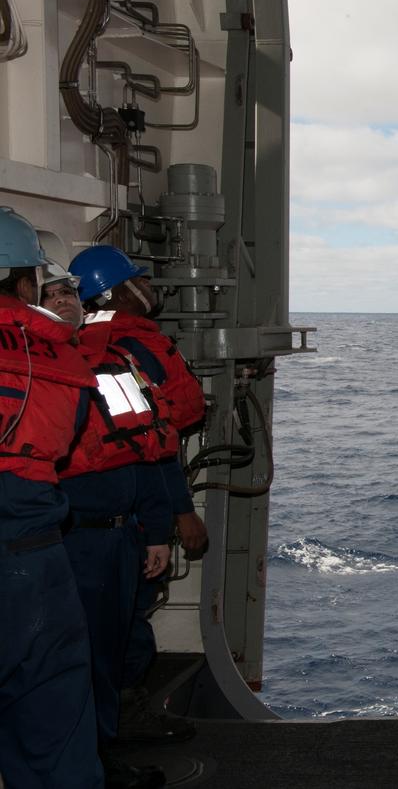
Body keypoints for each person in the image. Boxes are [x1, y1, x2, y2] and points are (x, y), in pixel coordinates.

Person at [68, 245, 207, 745]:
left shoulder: (89, 346)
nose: (149, 288)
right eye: (138, 281)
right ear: (113, 293)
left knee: (116, 626)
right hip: (108, 524)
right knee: (116, 629)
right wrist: (178, 514)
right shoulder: (127, 352)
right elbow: (147, 446)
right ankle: (111, 732)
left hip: (109, 518)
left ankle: (113, 726)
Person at [45, 254, 174, 789]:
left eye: (68, 294)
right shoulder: (40, 368)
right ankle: (86, 765)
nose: (64, 302)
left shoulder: (114, 362)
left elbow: (144, 448)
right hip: (72, 539)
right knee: (78, 660)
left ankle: (100, 758)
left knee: (108, 653)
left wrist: (157, 529)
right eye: (52, 295)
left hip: (121, 536)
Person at [0, 208, 103, 788]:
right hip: (36, 556)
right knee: (54, 722)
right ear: (26, 281)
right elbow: (66, 441)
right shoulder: (63, 356)